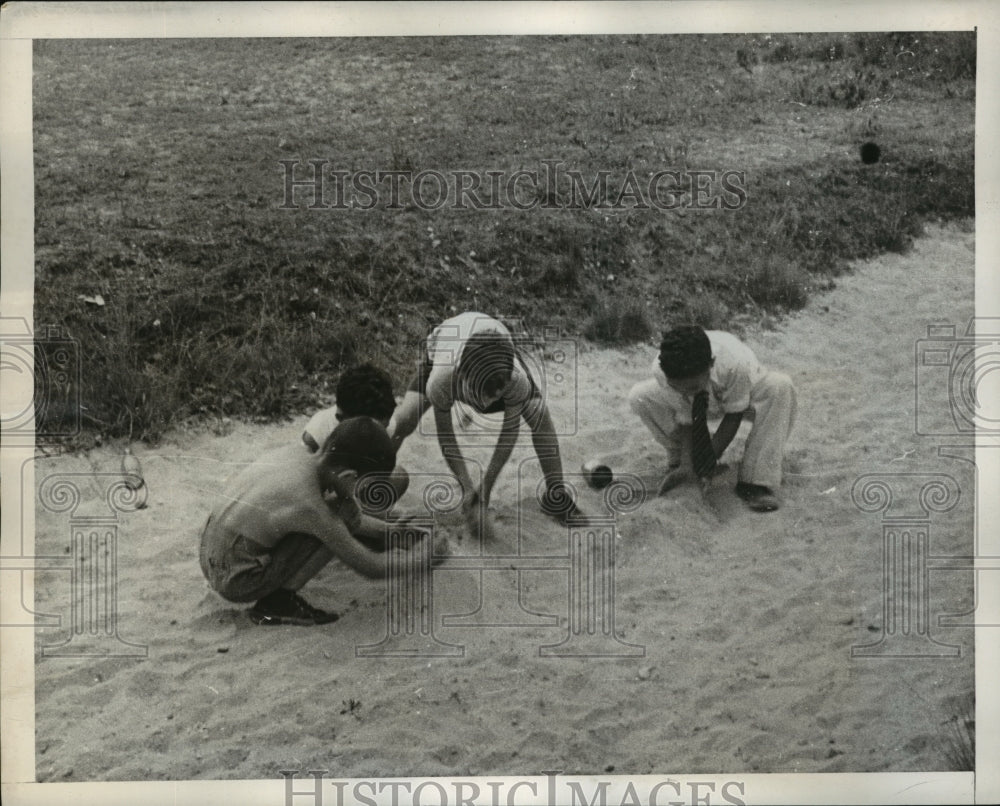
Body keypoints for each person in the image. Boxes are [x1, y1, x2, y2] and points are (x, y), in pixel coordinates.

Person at [199, 417, 435, 626]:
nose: (357, 496)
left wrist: (390, 531)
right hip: (235, 580)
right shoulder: (310, 503)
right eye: (360, 489)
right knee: (336, 525)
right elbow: (369, 566)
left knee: (333, 518)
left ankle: (277, 594)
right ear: (350, 476)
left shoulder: (296, 455)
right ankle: (278, 603)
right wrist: (425, 558)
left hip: (210, 555)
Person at [388, 311, 586, 532]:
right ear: (461, 376)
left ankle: (556, 495)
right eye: (475, 395)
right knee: (405, 418)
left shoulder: (515, 379)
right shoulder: (443, 377)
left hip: (495, 352)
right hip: (447, 346)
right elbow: (446, 436)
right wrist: (466, 486)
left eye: (492, 399)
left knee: (538, 413)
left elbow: (509, 432)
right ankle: (375, 480)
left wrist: (486, 488)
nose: (481, 405)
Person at [628, 325, 796, 512]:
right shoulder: (662, 369)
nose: (684, 392)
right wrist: (688, 464)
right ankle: (678, 461)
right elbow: (686, 419)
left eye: (691, 387)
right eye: (677, 387)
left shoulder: (734, 364)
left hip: (746, 397)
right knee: (639, 395)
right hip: (704, 403)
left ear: (711, 364)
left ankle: (754, 481)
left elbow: (734, 416)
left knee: (780, 386)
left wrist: (708, 460)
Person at [302, 363, 409, 512]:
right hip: (323, 496)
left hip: (355, 487)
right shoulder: (318, 430)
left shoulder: (386, 426)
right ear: (342, 418)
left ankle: (365, 521)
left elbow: (380, 468)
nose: (381, 432)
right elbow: (306, 486)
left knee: (398, 476)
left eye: (383, 427)